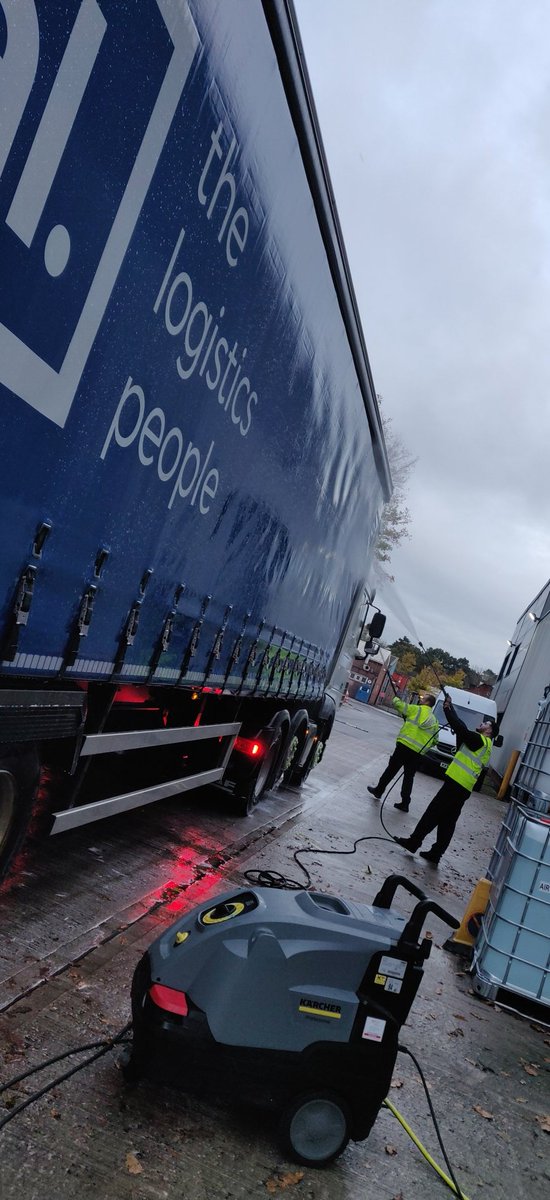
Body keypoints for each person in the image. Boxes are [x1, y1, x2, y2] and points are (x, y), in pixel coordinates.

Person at [394, 694, 495, 864]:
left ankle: (414, 842)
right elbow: (461, 728)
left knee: (433, 812)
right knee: (448, 822)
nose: (482, 723)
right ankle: (436, 854)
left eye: (486, 723)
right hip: (462, 788)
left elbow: (461, 728)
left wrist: (447, 709)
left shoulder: (480, 740)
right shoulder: (482, 743)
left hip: (456, 784)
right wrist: (451, 708)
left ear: (489, 731)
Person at [367, 692, 439, 812]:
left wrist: (396, 698)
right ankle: (405, 803)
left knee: (391, 770)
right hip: (417, 753)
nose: (421, 699)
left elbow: (400, 706)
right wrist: (423, 748)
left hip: (403, 747)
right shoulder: (434, 721)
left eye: (423, 698)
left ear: (427, 702)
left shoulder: (416, 709)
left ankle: (379, 791)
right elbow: (435, 740)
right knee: (408, 777)